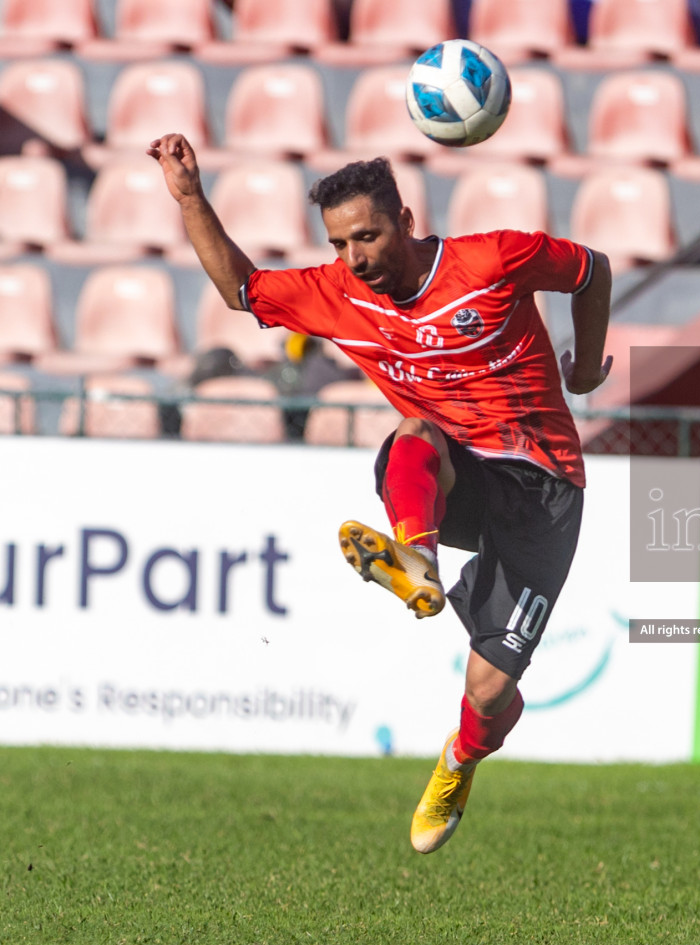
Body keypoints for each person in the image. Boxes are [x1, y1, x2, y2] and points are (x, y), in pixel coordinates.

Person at [149, 136, 613, 855]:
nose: (354, 257)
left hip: (542, 484)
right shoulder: (340, 294)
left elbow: (591, 271)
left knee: (490, 692)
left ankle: (460, 760)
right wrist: (188, 197)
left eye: (367, 235)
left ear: (405, 217)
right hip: (451, 472)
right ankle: (417, 559)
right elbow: (240, 289)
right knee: (412, 429)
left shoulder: (491, 260)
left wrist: (582, 373)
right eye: (339, 244)